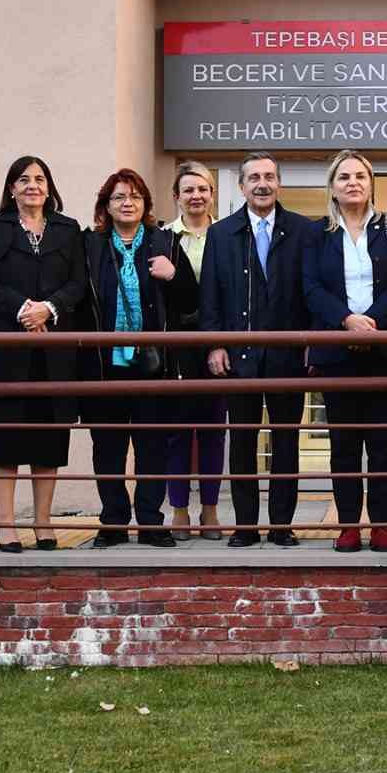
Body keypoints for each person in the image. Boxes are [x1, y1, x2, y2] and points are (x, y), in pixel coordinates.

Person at [0, 156, 86, 553]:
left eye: (39, 179)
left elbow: (78, 283)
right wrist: (23, 309)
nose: (32, 185)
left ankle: (43, 521)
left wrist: (48, 309)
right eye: (23, 179)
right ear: (12, 188)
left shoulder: (68, 229)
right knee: (3, 437)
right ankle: (5, 523)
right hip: (5, 348)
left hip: (53, 349)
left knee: (48, 439)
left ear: (49, 187)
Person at [301, 150, 387, 553]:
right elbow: (311, 287)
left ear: (371, 184)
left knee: (384, 444)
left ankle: (381, 524)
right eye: (344, 177)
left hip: (384, 350)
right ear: (332, 187)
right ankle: (348, 524)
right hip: (337, 351)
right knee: (344, 443)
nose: (353, 183)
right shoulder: (316, 232)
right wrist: (347, 320)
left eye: (360, 176)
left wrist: (372, 322)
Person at [79, 168, 197, 549]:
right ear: (106, 205)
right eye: (118, 197)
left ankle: (150, 522)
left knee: (152, 447)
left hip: (154, 365)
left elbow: (191, 301)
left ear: (146, 204)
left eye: (135, 196)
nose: (127, 203)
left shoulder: (166, 242)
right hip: (105, 366)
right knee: (107, 447)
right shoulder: (91, 245)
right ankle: (113, 522)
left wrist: (174, 275)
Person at [200, 151, 311, 548]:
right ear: (242, 186)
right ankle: (245, 525)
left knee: (286, 442)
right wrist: (215, 343)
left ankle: (282, 526)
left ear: (279, 183)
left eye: (269, 176)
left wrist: (310, 344)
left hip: (287, 355)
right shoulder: (221, 233)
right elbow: (210, 294)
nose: (262, 184)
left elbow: (312, 293)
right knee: (243, 442)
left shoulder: (304, 231)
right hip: (239, 354)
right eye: (254, 178)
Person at [162, 161, 225, 540]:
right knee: (178, 432)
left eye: (202, 189)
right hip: (177, 347)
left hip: (218, 345)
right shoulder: (163, 238)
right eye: (188, 189)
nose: (196, 195)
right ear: (176, 196)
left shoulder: (227, 235)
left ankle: (211, 511)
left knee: (214, 431)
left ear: (212, 194)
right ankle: (180, 510)